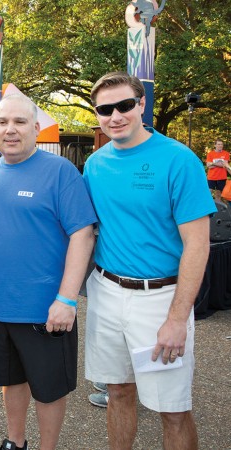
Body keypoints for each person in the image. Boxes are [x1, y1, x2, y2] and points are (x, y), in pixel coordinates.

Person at [83, 71, 216, 450]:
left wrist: (177, 319)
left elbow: (197, 245)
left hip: (160, 299)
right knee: (118, 391)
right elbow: (85, 231)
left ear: (142, 104)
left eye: (125, 105)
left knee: (172, 408)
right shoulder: (95, 164)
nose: (116, 116)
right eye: (105, 109)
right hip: (106, 293)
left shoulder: (179, 160)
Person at [0, 94, 97, 450]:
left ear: (36, 128)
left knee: (48, 388)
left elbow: (82, 234)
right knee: (11, 380)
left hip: (46, 308)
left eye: (19, 122)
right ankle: (15, 442)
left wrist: (66, 298)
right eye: (3, 122)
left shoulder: (60, 172)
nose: (10, 130)